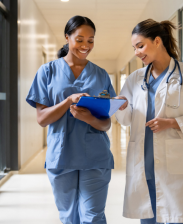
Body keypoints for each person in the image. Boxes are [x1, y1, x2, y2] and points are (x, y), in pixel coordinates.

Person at [115, 19, 183, 224]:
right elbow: (126, 120)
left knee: (178, 218)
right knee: (148, 219)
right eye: (134, 48)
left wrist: (172, 123)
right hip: (144, 165)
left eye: (140, 46)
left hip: (176, 167)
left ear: (158, 41)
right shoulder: (135, 79)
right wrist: (122, 107)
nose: (136, 52)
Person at [26, 15, 117, 224]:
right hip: (62, 155)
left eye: (91, 40)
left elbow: (106, 123)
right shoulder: (47, 72)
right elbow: (41, 119)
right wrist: (68, 101)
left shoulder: (101, 74)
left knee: (93, 217)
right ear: (67, 38)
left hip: (95, 155)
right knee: (69, 217)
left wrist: (88, 118)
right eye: (80, 39)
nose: (86, 45)